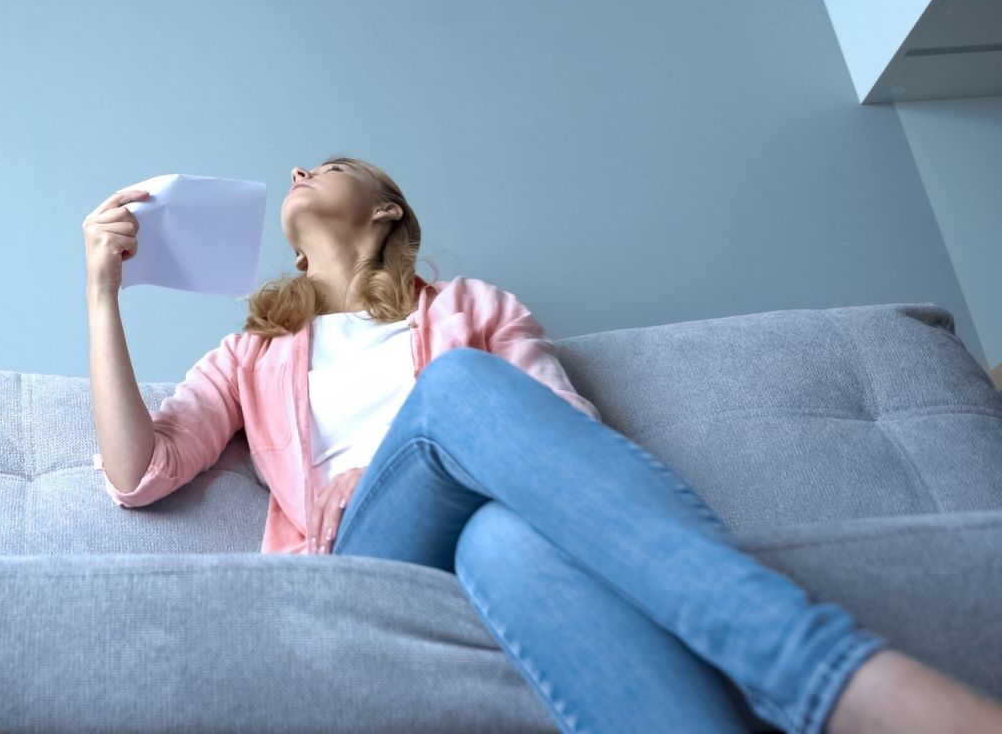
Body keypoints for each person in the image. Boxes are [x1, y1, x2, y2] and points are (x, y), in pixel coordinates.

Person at [83, 155, 1002, 734]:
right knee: (456, 390)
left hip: (499, 532)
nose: (297, 172)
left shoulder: (475, 309)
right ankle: (827, 677)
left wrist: (438, 448)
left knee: (504, 535)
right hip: (367, 557)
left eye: (328, 165)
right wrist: (102, 297)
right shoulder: (255, 350)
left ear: (388, 212)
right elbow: (140, 471)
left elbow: (568, 440)